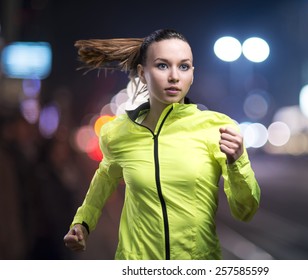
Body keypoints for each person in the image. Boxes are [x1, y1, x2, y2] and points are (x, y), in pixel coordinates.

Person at [63, 28, 261, 260]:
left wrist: (238, 163)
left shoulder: (217, 128)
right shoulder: (119, 132)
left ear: (192, 74)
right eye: (162, 65)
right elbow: (104, 180)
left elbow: (245, 211)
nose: (174, 76)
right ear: (142, 72)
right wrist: (82, 224)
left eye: (184, 66)